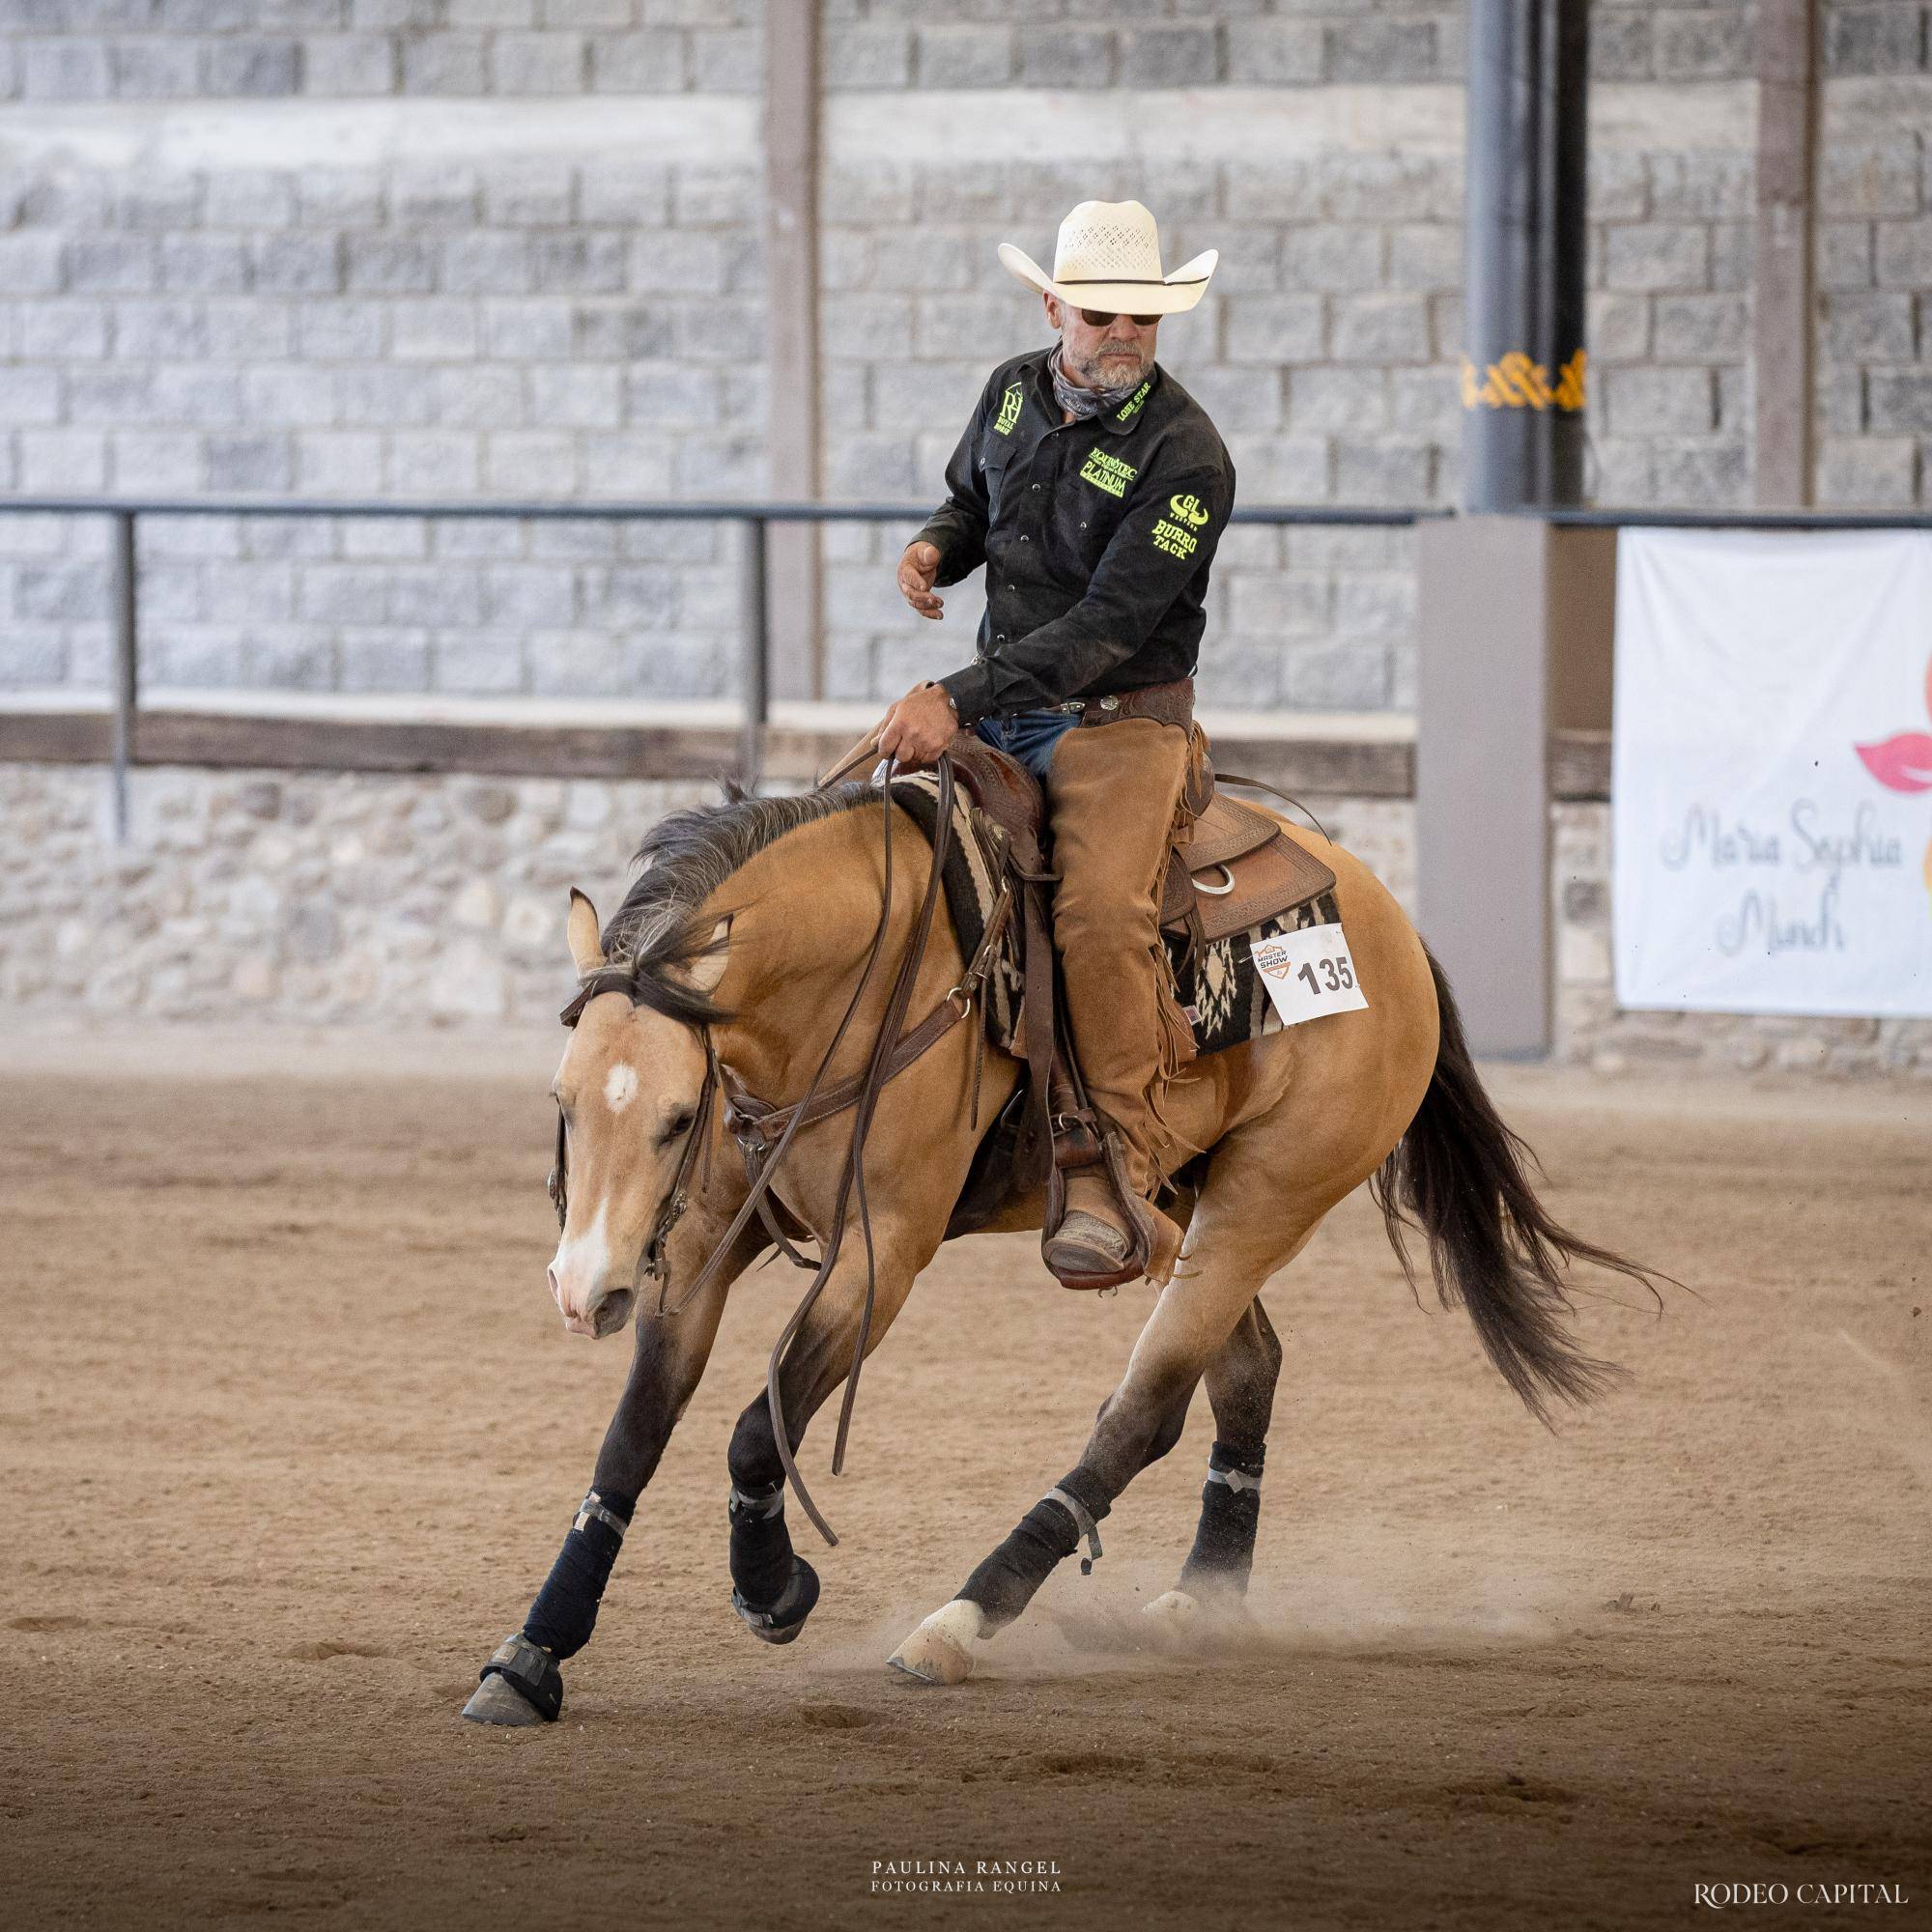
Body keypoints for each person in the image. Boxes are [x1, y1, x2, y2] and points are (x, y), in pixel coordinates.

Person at [871, 199, 1236, 1283]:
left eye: (1143, 318)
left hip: (1118, 722)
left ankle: (1120, 1160)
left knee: (1098, 912)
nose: (1122, 333)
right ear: (1053, 306)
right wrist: (936, 549)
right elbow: (967, 502)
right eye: (1100, 313)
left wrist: (952, 690)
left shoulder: (1188, 457)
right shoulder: (1008, 391)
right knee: (874, 854)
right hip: (998, 699)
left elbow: (1105, 631)